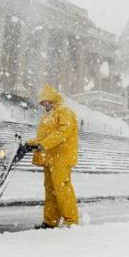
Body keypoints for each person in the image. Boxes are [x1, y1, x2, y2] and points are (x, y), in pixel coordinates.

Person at [27, 84, 79, 229]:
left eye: (46, 101)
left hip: (61, 158)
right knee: (50, 191)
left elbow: (63, 132)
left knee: (62, 190)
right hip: (50, 158)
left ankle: (71, 221)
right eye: (42, 102)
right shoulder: (47, 116)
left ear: (53, 99)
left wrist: (44, 144)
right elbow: (44, 137)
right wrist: (29, 143)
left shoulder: (64, 112)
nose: (44, 104)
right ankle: (50, 221)